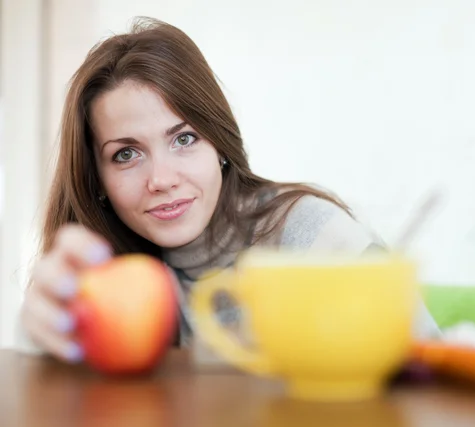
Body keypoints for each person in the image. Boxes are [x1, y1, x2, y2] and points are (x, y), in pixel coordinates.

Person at [17, 17, 440, 364]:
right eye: (126, 154)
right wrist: (41, 342)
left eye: (184, 139)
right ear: (98, 180)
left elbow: (430, 375)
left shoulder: (309, 232)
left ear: (220, 144)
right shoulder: (107, 275)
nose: (161, 179)